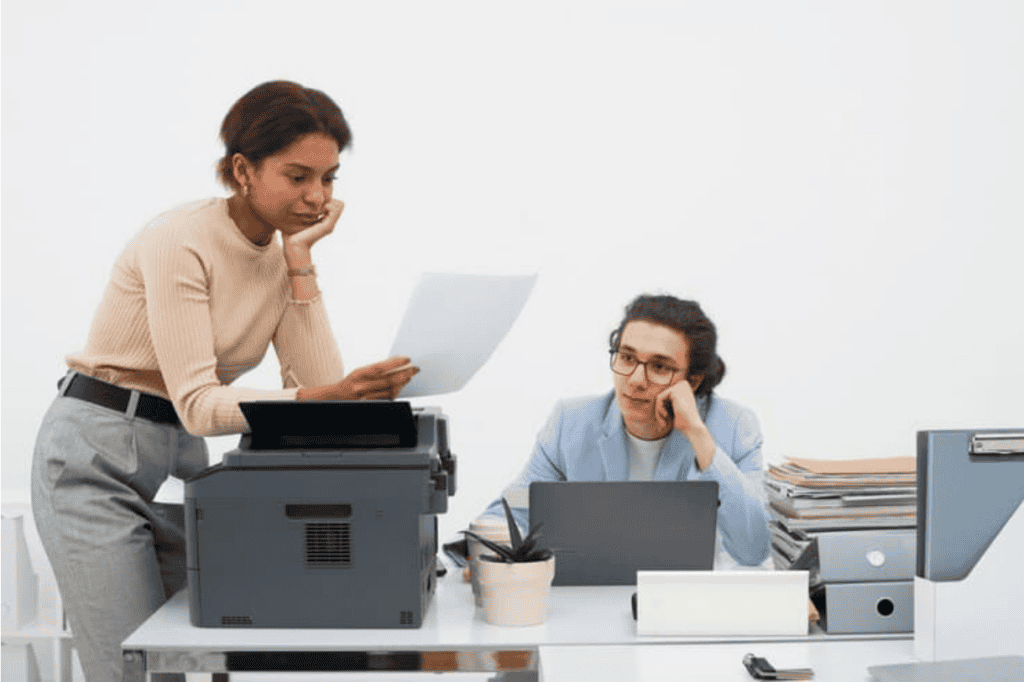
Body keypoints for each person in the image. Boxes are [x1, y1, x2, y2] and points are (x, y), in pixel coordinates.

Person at [31, 81, 418, 682]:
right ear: (243, 169)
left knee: (214, 652)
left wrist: (300, 262)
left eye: (330, 178)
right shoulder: (178, 241)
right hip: (97, 455)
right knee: (133, 670)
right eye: (298, 177)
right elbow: (201, 405)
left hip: (181, 461)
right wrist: (331, 396)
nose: (317, 197)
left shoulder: (280, 253)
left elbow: (317, 385)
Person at [479, 294, 771, 568]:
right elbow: (511, 512)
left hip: (689, 604)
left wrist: (697, 434)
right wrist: (489, 551)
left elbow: (754, 548)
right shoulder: (571, 423)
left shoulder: (733, 427)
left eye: (659, 366)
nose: (635, 380)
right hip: (592, 600)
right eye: (627, 358)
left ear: (692, 382)